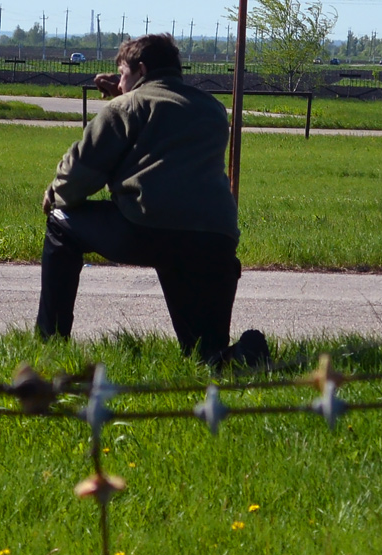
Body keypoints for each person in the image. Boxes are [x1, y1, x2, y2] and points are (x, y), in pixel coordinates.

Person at [37, 32, 267, 368]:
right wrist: (126, 91)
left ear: (141, 69)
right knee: (206, 356)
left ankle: (50, 344)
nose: (119, 83)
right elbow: (161, 121)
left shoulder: (125, 107)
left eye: (123, 74)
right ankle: (242, 355)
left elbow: (80, 174)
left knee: (61, 225)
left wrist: (54, 195)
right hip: (215, 242)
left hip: (149, 231)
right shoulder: (213, 109)